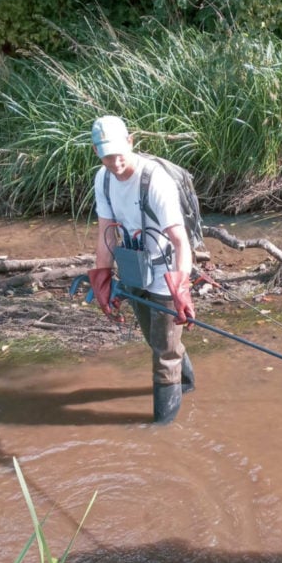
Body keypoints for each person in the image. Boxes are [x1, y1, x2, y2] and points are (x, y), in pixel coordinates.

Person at [88, 114, 196, 424]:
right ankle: (187, 384)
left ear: (131, 142)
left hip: (166, 272)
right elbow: (105, 232)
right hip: (134, 267)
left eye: (120, 152)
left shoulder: (155, 181)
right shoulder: (103, 179)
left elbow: (180, 242)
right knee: (157, 339)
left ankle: (162, 425)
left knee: (163, 354)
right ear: (97, 152)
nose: (116, 161)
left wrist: (181, 289)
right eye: (107, 155)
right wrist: (102, 279)